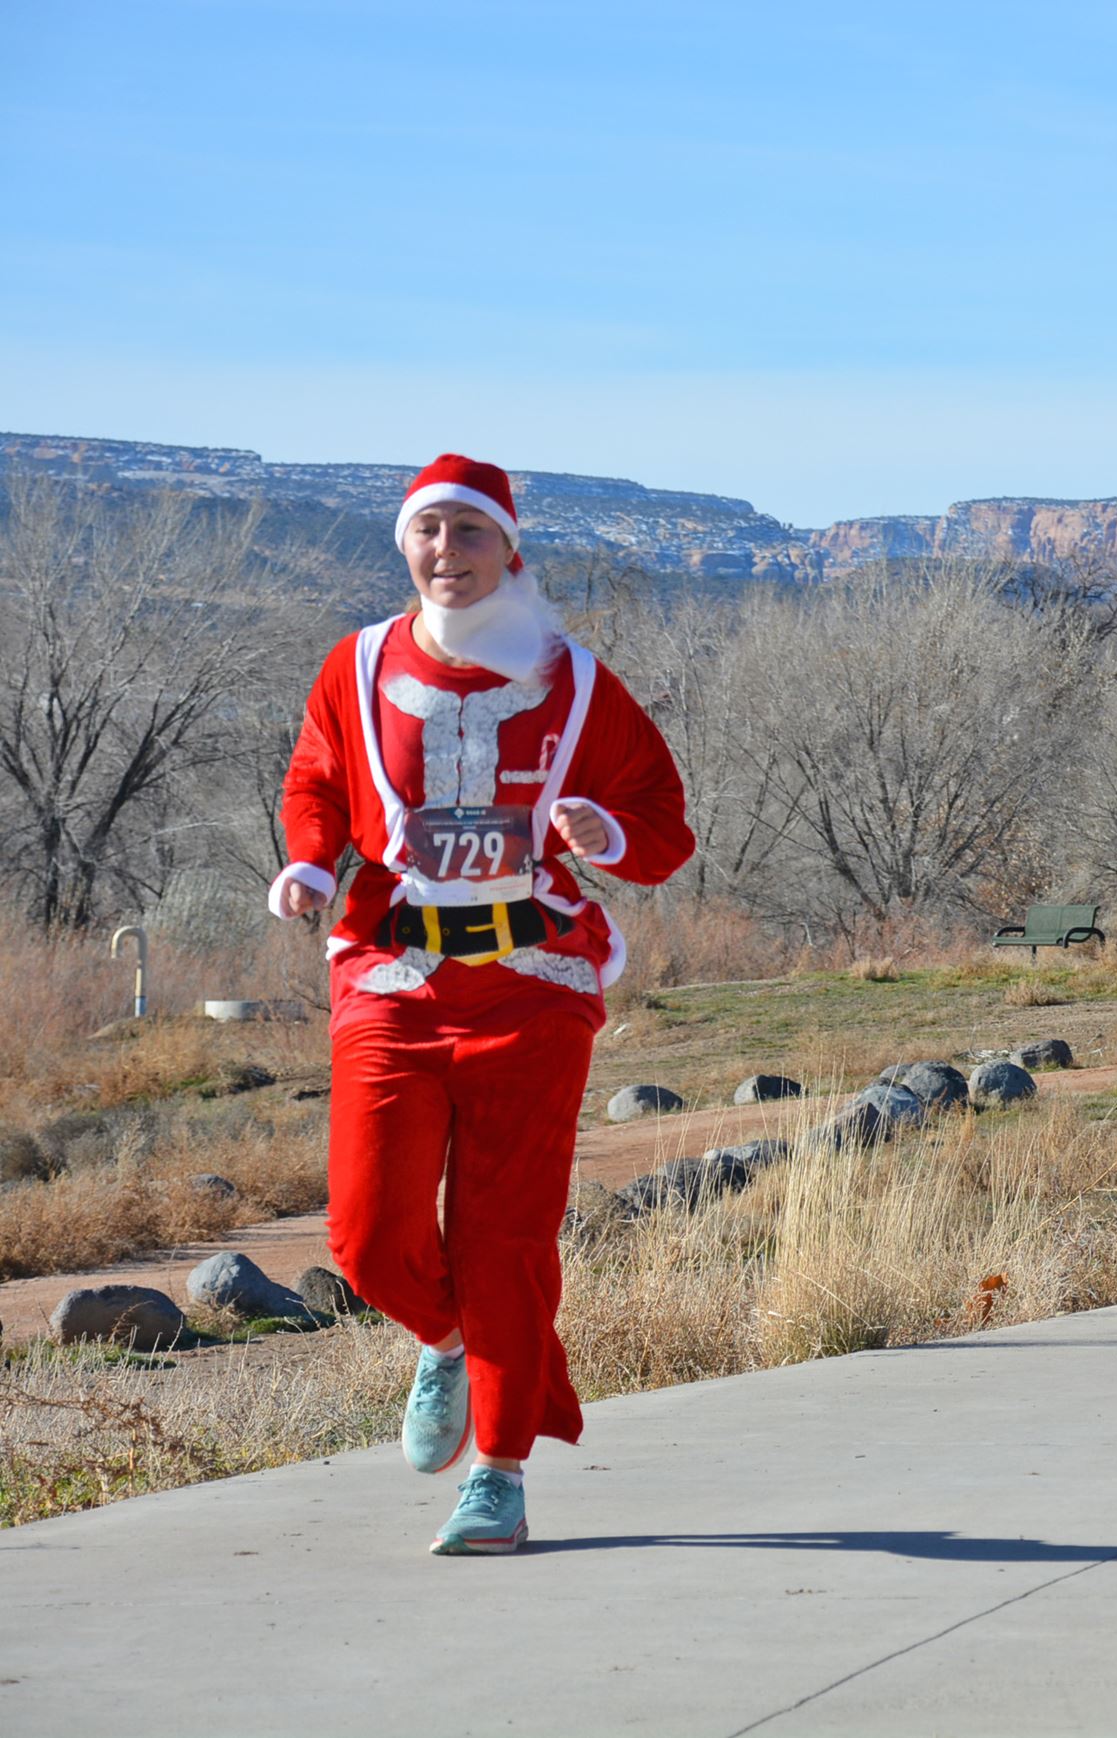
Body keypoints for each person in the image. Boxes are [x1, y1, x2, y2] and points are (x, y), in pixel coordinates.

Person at [269, 455, 694, 1555]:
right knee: (368, 1236)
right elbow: (317, 778)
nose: (446, 553)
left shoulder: (577, 681)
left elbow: (662, 817)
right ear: (403, 546)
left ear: (512, 549)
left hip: (534, 985)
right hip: (394, 982)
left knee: (506, 1234)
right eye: (428, 533)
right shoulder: (356, 667)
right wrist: (312, 863)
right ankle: (448, 1337)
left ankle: (498, 1473)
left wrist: (608, 831)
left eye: (468, 533)